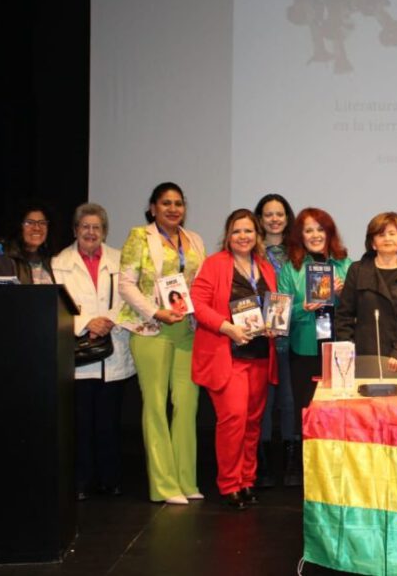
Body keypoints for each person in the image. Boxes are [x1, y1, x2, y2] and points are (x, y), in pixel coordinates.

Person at [118, 182, 206, 505]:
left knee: (187, 405)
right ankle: (164, 485)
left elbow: (200, 284)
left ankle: (187, 480)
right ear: (153, 207)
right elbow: (126, 286)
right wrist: (156, 311)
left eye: (179, 203)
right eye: (166, 203)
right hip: (151, 329)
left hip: (187, 331)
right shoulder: (139, 237)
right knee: (155, 406)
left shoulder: (194, 239)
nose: (173, 208)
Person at [191, 209, 278, 510]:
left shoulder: (265, 267)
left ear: (257, 236)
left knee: (253, 422)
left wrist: (272, 324)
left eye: (249, 231)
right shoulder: (215, 264)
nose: (243, 236)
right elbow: (198, 304)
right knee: (233, 420)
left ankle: (246, 479)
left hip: (259, 356)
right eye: (237, 231)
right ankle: (229, 483)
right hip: (227, 356)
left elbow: (272, 307)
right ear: (228, 235)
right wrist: (227, 327)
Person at [52, 203, 135, 500]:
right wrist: (87, 322)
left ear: (104, 231)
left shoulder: (119, 259)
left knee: (109, 422)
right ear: (75, 230)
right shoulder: (58, 263)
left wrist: (109, 319)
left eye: (96, 227)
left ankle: (109, 480)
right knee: (81, 423)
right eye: (85, 227)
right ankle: (82, 481)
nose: (91, 232)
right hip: (80, 354)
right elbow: (56, 305)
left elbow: (130, 297)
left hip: (113, 351)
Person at [277, 208, 351, 444]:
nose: (315, 235)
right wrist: (302, 307)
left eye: (320, 229)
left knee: (339, 408)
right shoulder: (291, 268)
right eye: (308, 230)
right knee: (307, 409)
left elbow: (359, 308)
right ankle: (307, 467)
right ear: (300, 235)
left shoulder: (345, 263)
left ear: (329, 233)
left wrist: (343, 294)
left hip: (339, 348)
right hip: (304, 349)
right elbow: (279, 315)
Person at [335, 212, 397, 376]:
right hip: (366, 358)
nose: (387, 238)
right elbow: (344, 317)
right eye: (381, 234)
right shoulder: (357, 271)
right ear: (373, 243)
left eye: (393, 233)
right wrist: (351, 353)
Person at [254, 194, 298, 486]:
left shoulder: (298, 251)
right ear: (259, 218)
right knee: (264, 403)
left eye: (279, 213)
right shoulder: (250, 252)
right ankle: (264, 465)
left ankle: (292, 464)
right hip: (259, 338)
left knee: (290, 402)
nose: (274, 219)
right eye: (267, 214)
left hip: (295, 337)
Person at [0, 201, 57, 284]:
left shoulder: (50, 259)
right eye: (29, 223)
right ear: (19, 226)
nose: (37, 228)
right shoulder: (4, 259)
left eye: (42, 223)